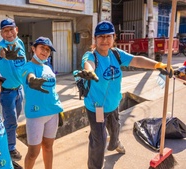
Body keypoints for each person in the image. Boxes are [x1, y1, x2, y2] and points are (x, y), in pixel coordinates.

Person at [75, 21, 173, 169]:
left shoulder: (116, 54)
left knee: (115, 131)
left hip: (114, 105)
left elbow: (137, 60)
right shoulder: (91, 56)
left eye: (108, 36)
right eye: (101, 37)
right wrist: (89, 71)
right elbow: (88, 63)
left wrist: (158, 65)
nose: (105, 40)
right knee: (99, 140)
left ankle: (115, 143)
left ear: (114, 37)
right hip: (97, 108)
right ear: (95, 39)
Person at [21, 37, 64, 169]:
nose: (45, 52)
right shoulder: (27, 67)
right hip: (36, 115)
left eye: (48, 50)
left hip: (53, 113)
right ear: (33, 49)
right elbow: (29, 75)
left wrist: (59, 107)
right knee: (33, 152)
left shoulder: (48, 67)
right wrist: (32, 80)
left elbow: (52, 90)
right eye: (42, 48)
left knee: (48, 147)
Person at [0, 18, 27, 161]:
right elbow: (1, 53)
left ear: (17, 30)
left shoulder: (20, 43)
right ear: (1, 33)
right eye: (5, 31)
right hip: (6, 92)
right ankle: (10, 148)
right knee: (11, 120)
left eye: (11, 29)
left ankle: (5, 133)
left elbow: (23, 65)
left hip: (20, 89)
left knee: (12, 119)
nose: (9, 33)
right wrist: (6, 54)